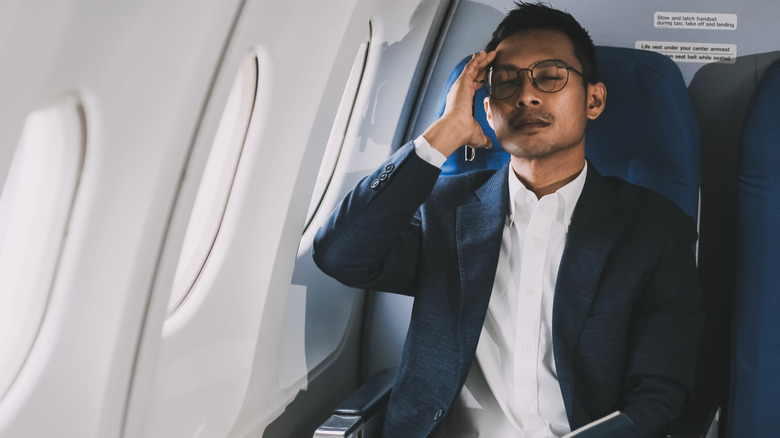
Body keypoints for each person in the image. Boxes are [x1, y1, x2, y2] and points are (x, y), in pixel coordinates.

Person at [312, 2, 703, 437]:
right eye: (506, 82)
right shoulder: (445, 209)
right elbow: (339, 255)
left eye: (551, 76)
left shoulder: (654, 230)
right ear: (488, 108)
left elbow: (660, 391)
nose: (527, 95)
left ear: (594, 99)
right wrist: (443, 133)